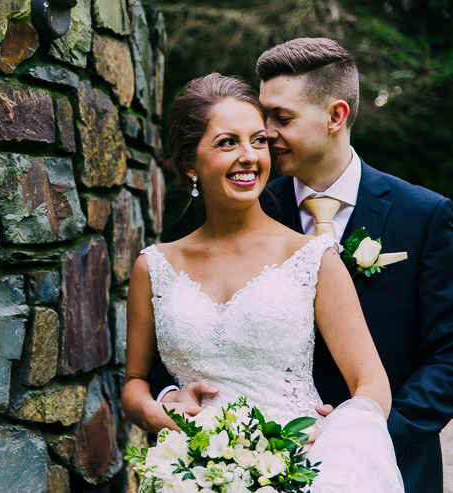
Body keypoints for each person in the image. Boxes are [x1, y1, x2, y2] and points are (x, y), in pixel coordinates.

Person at [147, 38, 453, 492]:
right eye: (261, 114)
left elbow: (447, 356)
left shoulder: (424, 215)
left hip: (389, 464)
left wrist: (359, 446)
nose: (265, 132)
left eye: (280, 118)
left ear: (335, 117)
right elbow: (183, 324)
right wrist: (169, 396)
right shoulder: (239, 199)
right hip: (239, 470)